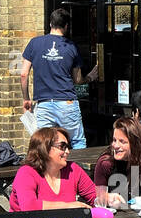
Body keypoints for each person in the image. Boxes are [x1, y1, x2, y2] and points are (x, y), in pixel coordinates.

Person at [21, 9, 94, 149]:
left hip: (44, 104)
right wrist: (90, 77)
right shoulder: (71, 47)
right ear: (66, 26)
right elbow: (77, 79)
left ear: (50, 23)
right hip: (66, 103)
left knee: (44, 145)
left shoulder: (34, 43)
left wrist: (26, 99)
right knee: (77, 141)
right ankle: (78, 171)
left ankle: (45, 171)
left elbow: (24, 74)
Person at [8, 126, 98, 211]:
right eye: (62, 146)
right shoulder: (26, 173)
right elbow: (29, 206)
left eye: (67, 147)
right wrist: (69, 206)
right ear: (45, 148)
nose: (67, 151)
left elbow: (95, 197)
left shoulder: (73, 170)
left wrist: (108, 199)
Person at [93, 116, 141, 208]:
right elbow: (97, 199)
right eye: (114, 140)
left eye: (122, 142)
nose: (115, 145)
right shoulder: (106, 163)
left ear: (136, 144)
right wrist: (107, 198)